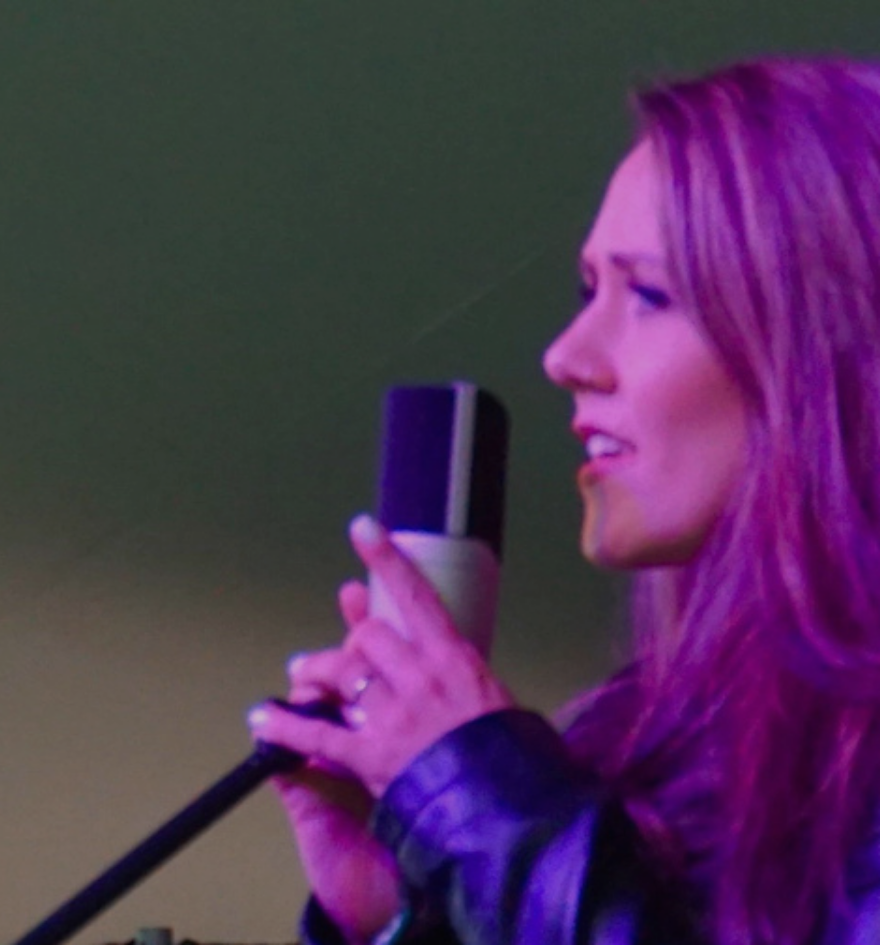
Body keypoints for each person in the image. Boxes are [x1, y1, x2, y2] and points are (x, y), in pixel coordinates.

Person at [247, 58, 880, 943]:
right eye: (590, 291)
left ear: (832, 342)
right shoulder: (630, 748)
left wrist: (483, 811)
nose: (566, 356)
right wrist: (407, 914)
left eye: (650, 294)